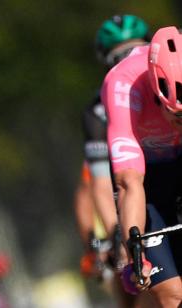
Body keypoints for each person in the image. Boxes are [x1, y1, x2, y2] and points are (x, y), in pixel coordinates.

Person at [74, 14, 152, 307]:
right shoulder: (97, 112)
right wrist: (111, 233)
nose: (128, 61)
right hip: (128, 196)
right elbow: (94, 188)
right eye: (119, 55)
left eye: (136, 51)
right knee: (128, 284)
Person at [102, 26, 182, 307]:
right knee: (172, 294)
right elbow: (128, 182)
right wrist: (134, 250)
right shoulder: (123, 84)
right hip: (148, 176)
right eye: (179, 116)